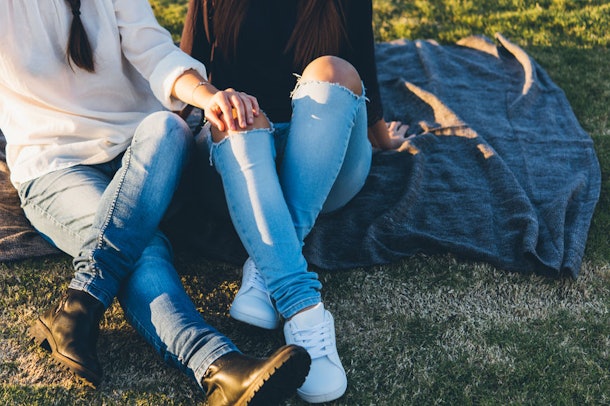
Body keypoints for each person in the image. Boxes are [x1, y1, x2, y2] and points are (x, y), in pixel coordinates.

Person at [0, 1, 311, 404]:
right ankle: (220, 368)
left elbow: (155, 51)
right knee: (142, 247)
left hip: (145, 149)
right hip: (56, 165)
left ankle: (79, 303)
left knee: (168, 126)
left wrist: (209, 97)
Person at [180, 0, 408, 402]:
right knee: (238, 110)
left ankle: (266, 266)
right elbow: (186, 71)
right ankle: (302, 308)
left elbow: (363, 73)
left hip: (325, 169)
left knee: (333, 69)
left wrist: (385, 140)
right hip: (241, 160)